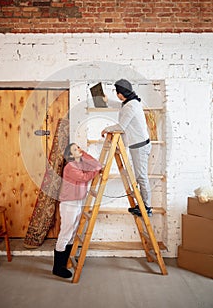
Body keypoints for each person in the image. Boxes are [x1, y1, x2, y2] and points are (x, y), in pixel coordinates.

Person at [101, 78, 152, 217]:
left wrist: (106, 129)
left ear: (121, 93)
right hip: (137, 145)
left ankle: (147, 207)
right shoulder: (129, 103)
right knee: (140, 176)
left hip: (140, 146)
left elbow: (121, 127)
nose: (117, 95)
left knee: (141, 177)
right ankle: (141, 205)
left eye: (117, 92)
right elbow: (119, 106)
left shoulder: (131, 106)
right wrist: (106, 101)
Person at [52, 143, 102, 279]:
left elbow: (96, 164)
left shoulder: (80, 164)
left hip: (77, 202)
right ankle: (57, 268)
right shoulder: (70, 167)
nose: (79, 149)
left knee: (73, 233)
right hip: (69, 204)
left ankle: (64, 263)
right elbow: (86, 177)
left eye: (79, 147)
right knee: (66, 233)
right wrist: (96, 170)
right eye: (75, 149)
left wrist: (83, 154)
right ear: (70, 155)